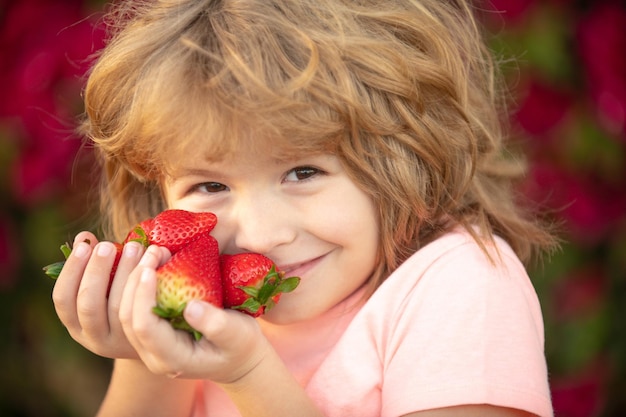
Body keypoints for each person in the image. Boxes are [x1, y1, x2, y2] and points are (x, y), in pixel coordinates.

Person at [51, 0, 560, 416]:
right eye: (209, 184)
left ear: (403, 154)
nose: (261, 235)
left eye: (302, 173)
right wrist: (148, 351)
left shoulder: (457, 286)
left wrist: (249, 375)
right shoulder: (204, 298)